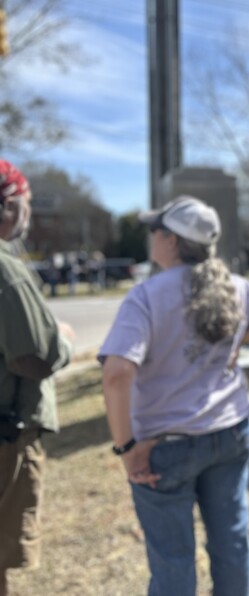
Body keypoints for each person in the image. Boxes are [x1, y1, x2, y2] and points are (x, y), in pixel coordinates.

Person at [99, 195, 249, 596]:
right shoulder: (236, 287)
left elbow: (116, 373)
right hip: (232, 433)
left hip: (164, 447)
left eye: (154, 230)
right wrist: (243, 337)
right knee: (233, 543)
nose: (150, 237)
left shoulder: (146, 296)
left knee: (172, 558)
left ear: (170, 241)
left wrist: (126, 448)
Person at [0, 160, 75, 596]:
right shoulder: (7, 270)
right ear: (11, 205)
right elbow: (33, 358)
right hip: (8, 435)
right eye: (26, 204)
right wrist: (62, 340)